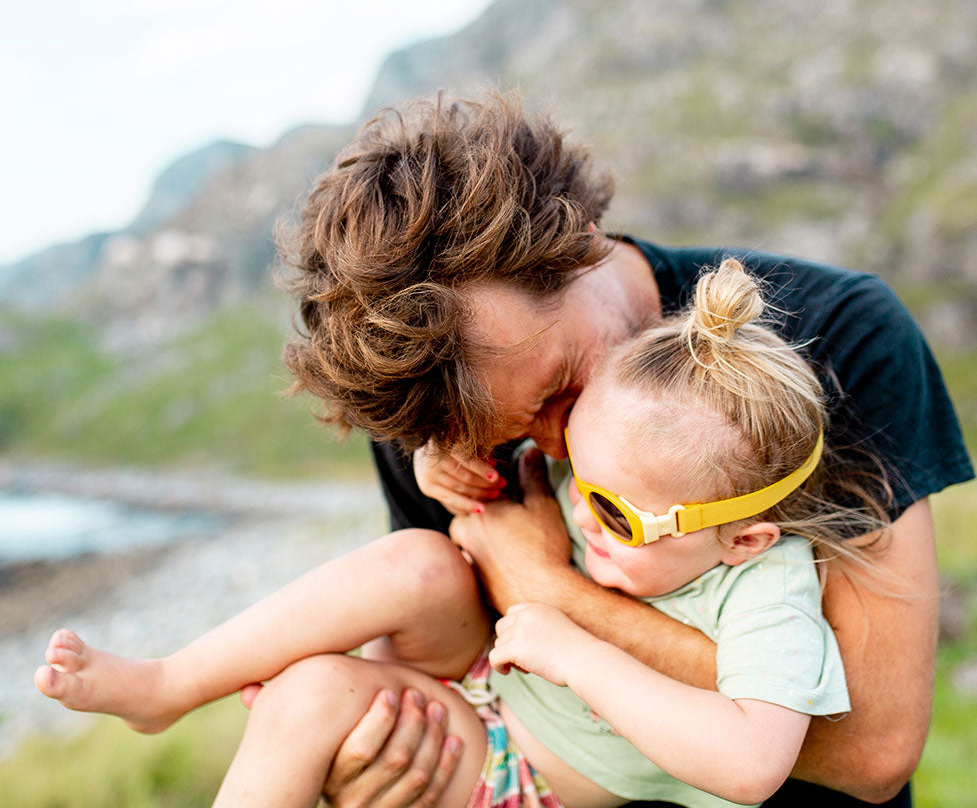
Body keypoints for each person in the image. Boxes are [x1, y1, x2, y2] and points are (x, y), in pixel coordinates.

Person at [275, 91, 973, 808]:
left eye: (556, 389)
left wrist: (549, 593)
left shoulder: (838, 341)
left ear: (573, 243)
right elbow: (453, 682)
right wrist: (372, 755)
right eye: (508, 435)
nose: (556, 442)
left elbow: (873, 746)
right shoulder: (433, 423)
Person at [36, 260, 887, 808]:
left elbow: (749, 763)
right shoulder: (617, 471)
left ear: (738, 539)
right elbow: (495, 524)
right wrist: (453, 479)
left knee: (306, 699)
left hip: (524, 765)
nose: (581, 509)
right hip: (489, 671)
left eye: (617, 514)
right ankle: (169, 683)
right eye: (577, 476)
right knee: (415, 559)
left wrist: (570, 639)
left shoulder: (766, 589)